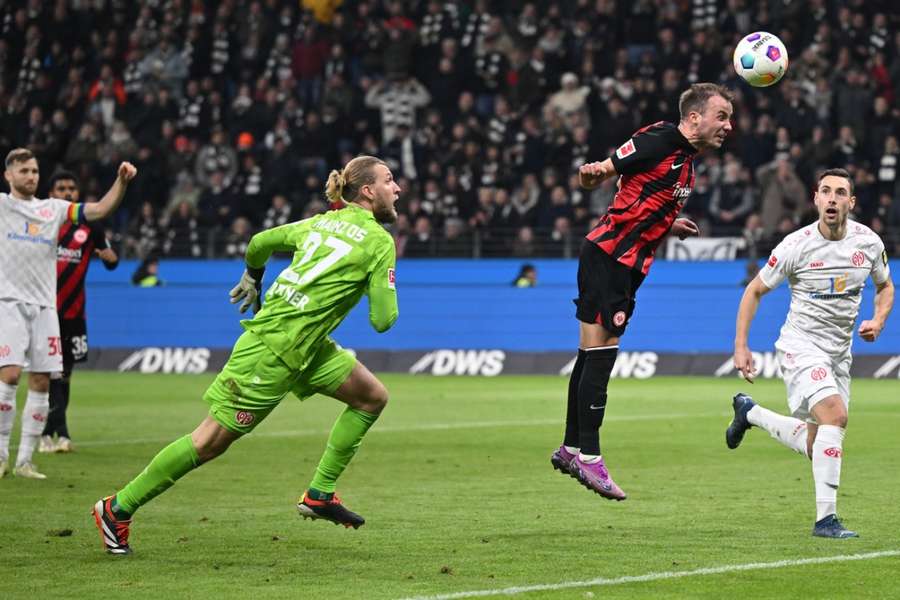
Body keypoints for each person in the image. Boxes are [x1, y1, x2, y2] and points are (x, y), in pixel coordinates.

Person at [92, 155, 400, 555]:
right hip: (272, 350)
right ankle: (117, 508)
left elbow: (258, 244)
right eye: (390, 180)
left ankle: (319, 494)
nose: (397, 189)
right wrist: (386, 283)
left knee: (371, 397)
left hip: (308, 347)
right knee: (210, 442)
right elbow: (383, 320)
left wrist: (252, 278)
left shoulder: (319, 222)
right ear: (367, 190)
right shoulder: (379, 242)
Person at [550, 83, 734, 500]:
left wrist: (668, 224)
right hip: (612, 257)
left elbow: (637, 198)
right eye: (720, 116)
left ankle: (571, 446)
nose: (728, 126)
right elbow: (602, 172)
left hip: (621, 260)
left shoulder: (686, 160)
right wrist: (593, 172)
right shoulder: (662, 140)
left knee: (588, 354)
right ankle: (590, 458)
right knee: (601, 355)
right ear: (693, 118)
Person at [727, 168, 894, 538]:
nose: (832, 199)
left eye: (840, 193)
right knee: (836, 415)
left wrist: (878, 320)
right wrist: (741, 346)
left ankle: (750, 413)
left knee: (818, 444)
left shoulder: (868, 243)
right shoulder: (795, 246)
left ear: (851, 202)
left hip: (838, 354)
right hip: (801, 347)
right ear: (816, 199)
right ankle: (826, 520)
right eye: (826, 192)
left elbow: (885, 287)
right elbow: (753, 291)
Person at [0, 148, 136, 479]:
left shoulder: (54, 209)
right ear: (9, 175)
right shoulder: (2, 206)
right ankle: (1, 454)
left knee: (42, 381)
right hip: (9, 303)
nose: (30, 176)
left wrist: (121, 181)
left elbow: (101, 209)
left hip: (47, 308)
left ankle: (25, 462)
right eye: (24, 171)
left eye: (34, 171)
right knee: (11, 375)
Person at [39, 171, 119, 454]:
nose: (68, 192)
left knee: (66, 373)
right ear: (51, 193)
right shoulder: (44, 223)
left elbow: (111, 260)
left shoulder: (90, 226)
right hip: (45, 310)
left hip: (74, 312)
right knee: (49, 372)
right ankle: (55, 432)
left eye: (72, 188)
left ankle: (53, 433)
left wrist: (111, 258)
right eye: (61, 188)